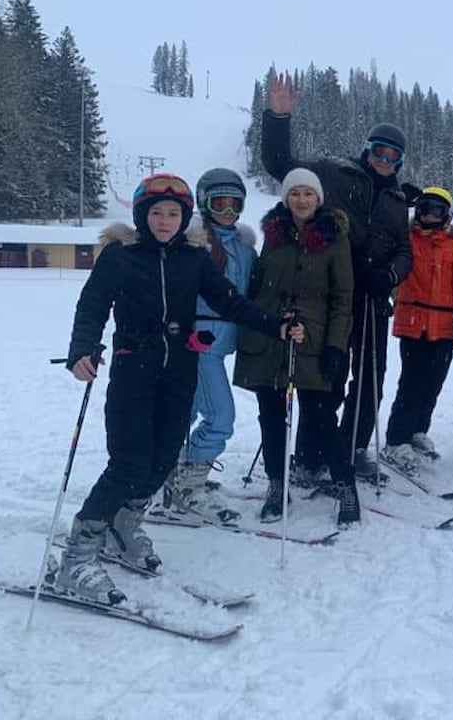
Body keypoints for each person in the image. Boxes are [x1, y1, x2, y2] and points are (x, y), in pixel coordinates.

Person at [57, 174, 301, 604]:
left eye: (173, 213)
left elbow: (230, 301)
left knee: (164, 457)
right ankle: (77, 556)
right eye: (156, 213)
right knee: (129, 463)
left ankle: (123, 525)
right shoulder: (120, 256)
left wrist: (277, 326)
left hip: (179, 373)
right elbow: (91, 306)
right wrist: (83, 348)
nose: (165, 221)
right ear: (141, 215)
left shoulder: (193, 258)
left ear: (185, 217)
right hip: (134, 370)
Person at [261, 74, 411, 482]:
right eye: (379, 151)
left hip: (371, 300)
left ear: (399, 162)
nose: (384, 159)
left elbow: (405, 250)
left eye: (392, 155)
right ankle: (311, 455)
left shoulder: (399, 202)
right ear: (366, 151)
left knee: (370, 383)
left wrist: (389, 274)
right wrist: (279, 117)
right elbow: (280, 166)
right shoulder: (333, 172)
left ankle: (350, 450)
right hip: (326, 297)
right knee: (324, 377)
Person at [233, 169, 356, 526]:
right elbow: (257, 287)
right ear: (286, 198)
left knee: (320, 418)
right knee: (271, 417)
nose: (301, 200)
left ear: (318, 199)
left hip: (313, 340)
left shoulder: (336, 238)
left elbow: (342, 298)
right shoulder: (273, 234)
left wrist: (335, 346)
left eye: (308, 194)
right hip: (270, 337)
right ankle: (277, 484)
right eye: (295, 193)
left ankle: (345, 484)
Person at [163, 168, 257, 525]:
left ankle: (169, 475)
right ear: (204, 202)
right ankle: (187, 484)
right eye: (220, 203)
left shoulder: (244, 247)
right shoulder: (192, 244)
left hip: (224, 343)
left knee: (184, 413)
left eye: (235, 205)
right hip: (200, 342)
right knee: (220, 417)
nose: (228, 212)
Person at [379, 187, 453, 475]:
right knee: (412, 383)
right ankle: (397, 440)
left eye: (437, 210)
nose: (430, 215)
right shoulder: (407, 240)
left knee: (434, 382)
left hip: (444, 325)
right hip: (413, 322)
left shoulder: (452, 247)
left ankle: (418, 430)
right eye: (425, 209)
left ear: (446, 215)